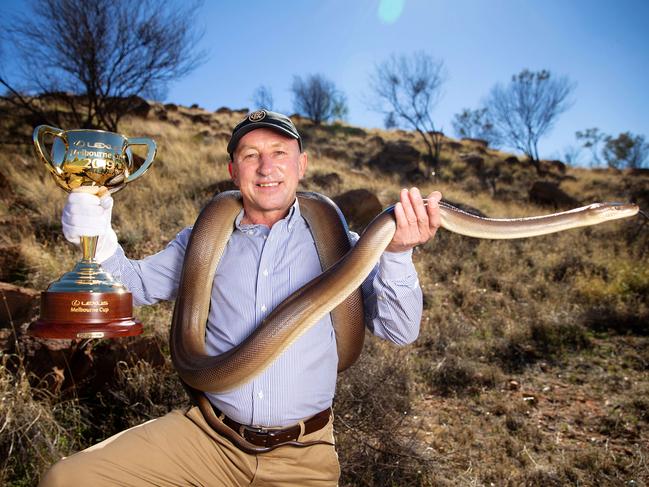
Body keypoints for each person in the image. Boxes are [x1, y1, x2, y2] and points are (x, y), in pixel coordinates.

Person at [40, 110, 442, 486]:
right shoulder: (202, 239)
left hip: (302, 455)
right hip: (207, 439)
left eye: (280, 153)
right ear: (234, 171)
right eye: (251, 155)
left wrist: (397, 253)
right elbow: (135, 287)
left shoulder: (342, 246)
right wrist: (98, 236)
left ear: (301, 165)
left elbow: (400, 330)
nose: (267, 168)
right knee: (68, 479)